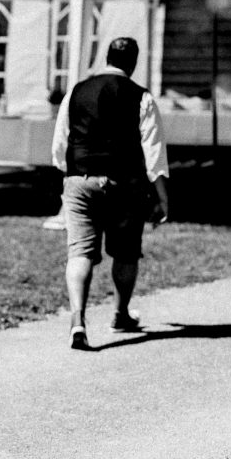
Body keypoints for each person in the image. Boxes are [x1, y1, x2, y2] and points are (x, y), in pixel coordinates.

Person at [51, 37, 170, 350]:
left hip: (79, 180)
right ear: (132, 62)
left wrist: (72, 176)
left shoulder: (76, 92)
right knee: (126, 252)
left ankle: (78, 320)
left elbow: (60, 145)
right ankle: (120, 314)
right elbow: (153, 151)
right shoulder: (141, 97)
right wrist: (161, 195)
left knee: (79, 253)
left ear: (107, 57)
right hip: (125, 183)